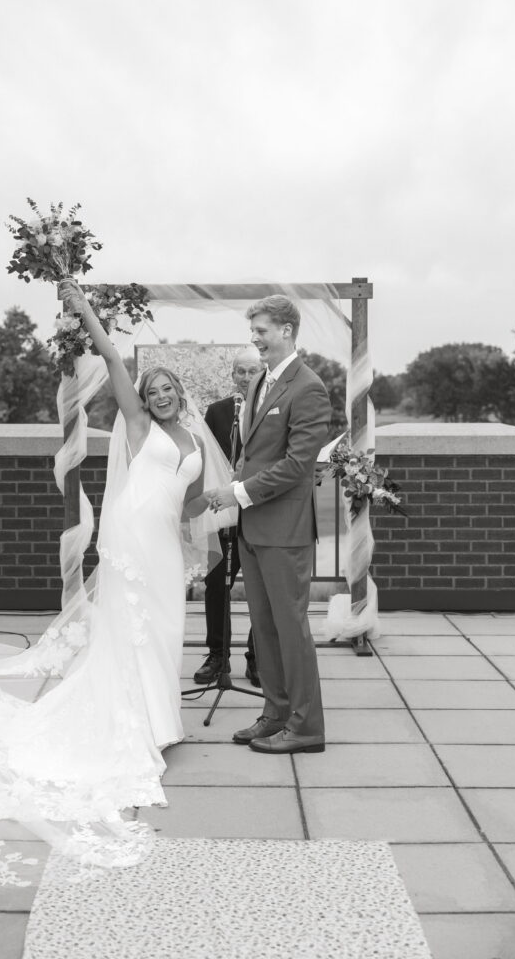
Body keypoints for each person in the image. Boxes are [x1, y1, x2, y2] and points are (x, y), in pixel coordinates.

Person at [0, 280, 235, 881]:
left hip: (164, 544)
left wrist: (220, 503)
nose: (161, 395)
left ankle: (162, 721)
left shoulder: (194, 440)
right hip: (129, 539)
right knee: (130, 632)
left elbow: (189, 506)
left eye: (169, 389)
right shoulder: (138, 424)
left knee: (165, 632)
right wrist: (80, 301)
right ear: (143, 396)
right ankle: (138, 726)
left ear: (180, 393)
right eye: (153, 389)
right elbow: (112, 355)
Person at [209, 295, 331, 755]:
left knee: (291, 629)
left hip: (285, 532)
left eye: (262, 330)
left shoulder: (309, 387)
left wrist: (238, 493)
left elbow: (299, 464)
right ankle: (276, 714)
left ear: (286, 330)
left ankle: (307, 727)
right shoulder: (260, 380)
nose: (255, 338)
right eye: (253, 330)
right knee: (265, 628)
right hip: (254, 529)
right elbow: (253, 452)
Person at [193, 347, 263, 686]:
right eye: (240, 372)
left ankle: (258, 657)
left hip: (259, 510)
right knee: (216, 584)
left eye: (253, 371)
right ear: (232, 375)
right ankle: (218, 656)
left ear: (262, 373)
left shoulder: (271, 409)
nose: (246, 378)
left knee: (261, 588)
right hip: (224, 509)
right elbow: (206, 460)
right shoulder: (218, 411)